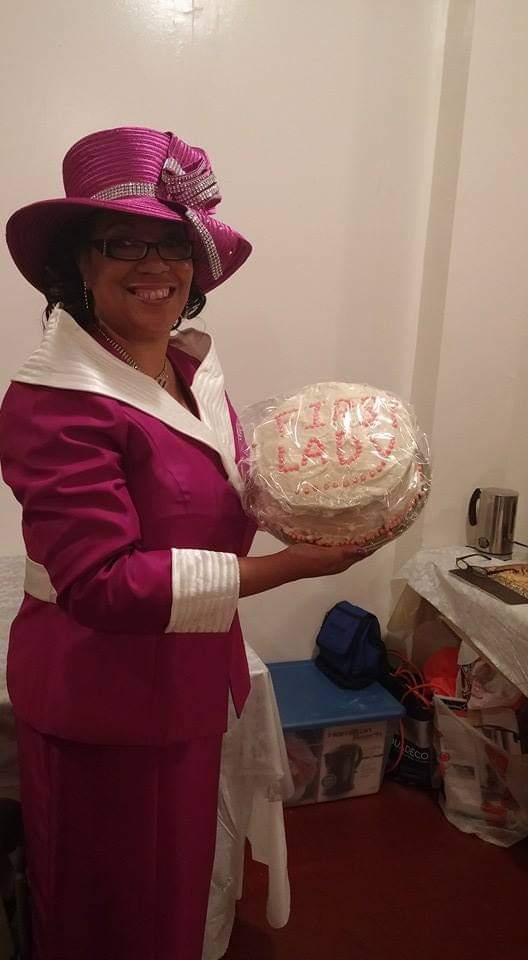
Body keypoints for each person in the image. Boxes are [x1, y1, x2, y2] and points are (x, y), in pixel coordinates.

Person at [0, 126, 371, 960]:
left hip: (186, 682)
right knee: (111, 910)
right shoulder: (55, 400)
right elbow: (100, 582)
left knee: (174, 892)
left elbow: (232, 488)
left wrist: (329, 503)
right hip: (102, 700)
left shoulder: (187, 367)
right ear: (78, 266)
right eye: (120, 242)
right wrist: (293, 567)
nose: (153, 265)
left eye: (171, 243)